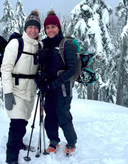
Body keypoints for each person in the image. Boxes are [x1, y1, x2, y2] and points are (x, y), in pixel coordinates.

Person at [1, 10, 41, 164]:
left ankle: (18, 143)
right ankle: (11, 160)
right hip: (16, 90)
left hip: (30, 91)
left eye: (36, 28)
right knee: (16, 124)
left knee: (24, 121)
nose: (33, 31)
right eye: (30, 27)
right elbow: (6, 69)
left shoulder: (39, 46)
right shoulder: (16, 44)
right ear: (25, 28)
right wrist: (8, 93)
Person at [36, 10, 78, 156]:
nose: (50, 30)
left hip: (63, 90)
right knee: (50, 117)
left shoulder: (66, 44)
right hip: (48, 90)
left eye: (53, 27)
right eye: (47, 28)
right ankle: (54, 141)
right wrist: (40, 78)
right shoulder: (44, 46)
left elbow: (71, 70)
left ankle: (71, 142)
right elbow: (43, 67)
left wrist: (52, 84)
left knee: (63, 116)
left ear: (58, 27)